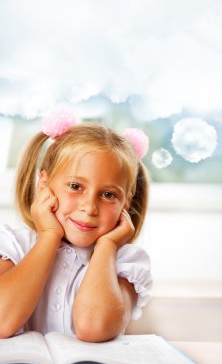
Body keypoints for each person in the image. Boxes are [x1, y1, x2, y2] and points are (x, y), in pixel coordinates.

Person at [0, 110, 152, 342]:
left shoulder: (126, 261)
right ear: (44, 185)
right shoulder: (13, 245)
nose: (90, 207)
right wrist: (49, 236)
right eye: (75, 186)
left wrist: (107, 246)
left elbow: (95, 328)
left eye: (109, 194)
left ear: (126, 202)